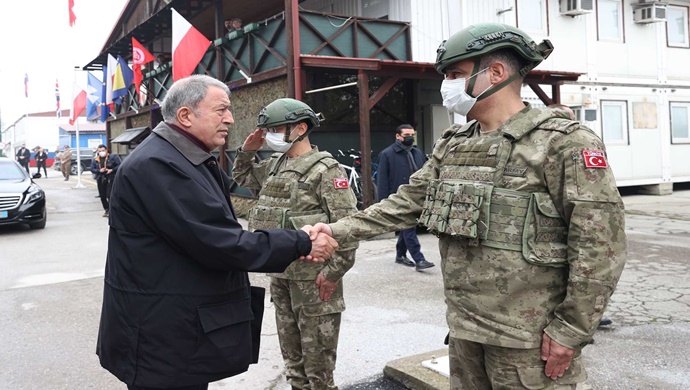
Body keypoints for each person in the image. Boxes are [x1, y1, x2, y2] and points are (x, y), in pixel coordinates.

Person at [307, 23, 627, 389]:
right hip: (465, 330)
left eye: (456, 75)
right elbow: (407, 202)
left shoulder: (563, 143)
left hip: (528, 341)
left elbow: (600, 246)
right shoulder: (455, 143)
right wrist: (336, 230)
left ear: (496, 73)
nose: (447, 85)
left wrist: (572, 329)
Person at [96, 75, 339, 390]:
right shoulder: (159, 165)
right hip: (163, 337)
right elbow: (221, 242)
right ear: (186, 116)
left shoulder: (183, 159)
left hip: (174, 330)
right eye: (222, 110)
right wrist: (302, 239)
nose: (231, 119)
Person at [233, 98, 358, 390]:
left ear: (300, 128)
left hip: (313, 282)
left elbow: (349, 228)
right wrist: (247, 151)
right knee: (293, 364)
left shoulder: (326, 170)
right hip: (281, 278)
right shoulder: (275, 165)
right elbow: (240, 177)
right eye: (267, 130)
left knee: (319, 371)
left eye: (275, 129)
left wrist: (333, 273)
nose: (269, 136)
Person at [377, 124, 434, 271]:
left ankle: (400, 255)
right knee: (409, 226)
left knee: (407, 226)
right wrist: (383, 202)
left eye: (412, 135)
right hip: (399, 198)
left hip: (417, 196)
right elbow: (382, 180)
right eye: (406, 135)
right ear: (398, 136)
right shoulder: (387, 154)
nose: (410, 138)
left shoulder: (417, 153)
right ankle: (419, 259)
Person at [90, 144, 121, 217]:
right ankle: (106, 209)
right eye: (100, 151)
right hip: (101, 179)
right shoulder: (95, 160)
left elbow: (119, 165)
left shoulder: (113, 157)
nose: (101, 152)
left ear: (106, 150)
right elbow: (92, 169)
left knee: (110, 195)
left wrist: (111, 170)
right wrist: (99, 170)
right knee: (102, 196)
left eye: (103, 150)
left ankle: (112, 210)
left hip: (110, 178)